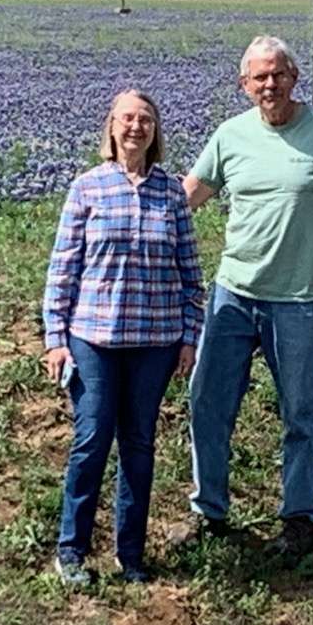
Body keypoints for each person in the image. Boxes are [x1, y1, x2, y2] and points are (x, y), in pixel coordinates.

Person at [175, 35, 313, 562]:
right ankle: (209, 513)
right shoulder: (229, 136)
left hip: (301, 300)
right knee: (208, 403)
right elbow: (187, 196)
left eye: (278, 74)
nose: (269, 85)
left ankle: (300, 520)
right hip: (233, 294)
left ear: (294, 77)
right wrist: (132, 208)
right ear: (244, 85)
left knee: (300, 413)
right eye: (259, 77)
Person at [43, 90, 204, 586]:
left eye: (146, 119)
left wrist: (189, 336)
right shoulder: (87, 188)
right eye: (127, 118)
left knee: (139, 443)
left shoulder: (171, 192)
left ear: (155, 131)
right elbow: (62, 268)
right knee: (92, 437)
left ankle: (130, 555)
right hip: (92, 336)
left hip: (155, 338)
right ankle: (71, 550)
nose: (136, 127)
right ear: (111, 128)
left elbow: (191, 273)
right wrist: (55, 337)